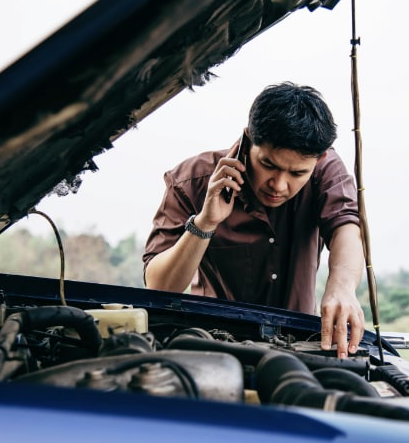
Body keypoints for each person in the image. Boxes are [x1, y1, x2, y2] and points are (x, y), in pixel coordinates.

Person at [143, 82, 365, 358]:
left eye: (297, 173)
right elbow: (159, 287)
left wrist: (342, 287)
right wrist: (205, 223)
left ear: (319, 159)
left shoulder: (326, 168)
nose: (279, 185)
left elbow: (346, 225)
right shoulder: (190, 182)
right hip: (210, 346)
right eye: (269, 165)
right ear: (248, 140)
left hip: (297, 349)